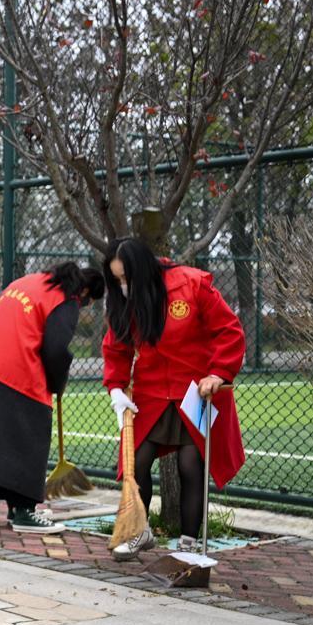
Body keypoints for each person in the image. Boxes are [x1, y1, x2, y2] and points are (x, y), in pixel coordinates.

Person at [101, 237, 246, 556]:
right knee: (136, 462)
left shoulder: (192, 284)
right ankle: (140, 531)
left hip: (196, 391)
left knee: (191, 463)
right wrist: (115, 388)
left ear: (143, 270)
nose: (122, 286)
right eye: (116, 280)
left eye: (126, 278)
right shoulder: (124, 300)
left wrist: (218, 373)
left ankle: (190, 542)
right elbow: (116, 347)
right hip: (150, 393)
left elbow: (229, 330)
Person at [0, 262, 106, 531]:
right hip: (18, 375)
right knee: (26, 444)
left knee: (0, 446)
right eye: (88, 303)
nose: (84, 308)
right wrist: (57, 383)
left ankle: (15, 505)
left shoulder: (26, 282)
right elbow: (55, 350)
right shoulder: (65, 301)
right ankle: (24, 513)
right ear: (86, 291)